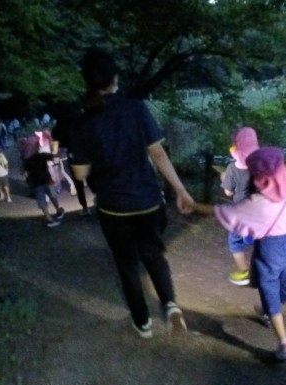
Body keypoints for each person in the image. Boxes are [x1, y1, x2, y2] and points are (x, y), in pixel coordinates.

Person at [69, 47, 194, 338]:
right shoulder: (136, 108)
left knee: (127, 265)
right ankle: (170, 305)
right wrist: (180, 190)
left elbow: (80, 173)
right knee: (154, 255)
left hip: (113, 207)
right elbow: (158, 154)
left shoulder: (83, 120)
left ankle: (143, 322)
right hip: (148, 201)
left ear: (87, 81)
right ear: (115, 77)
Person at [194, 147, 286, 361]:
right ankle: (284, 341)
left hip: (268, 251)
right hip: (284, 249)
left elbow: (223, 212)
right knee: (281, 289)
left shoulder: (254, 203)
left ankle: (270, 312)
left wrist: (193, 205)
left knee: (273, 292)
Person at [220, 126, 259, 286]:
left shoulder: (231, 168)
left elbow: (228, 192)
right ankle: (262, 271)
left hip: (240, 214)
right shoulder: (259, 166)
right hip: (259, 212)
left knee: (235, 242)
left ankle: (244, 272)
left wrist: (224, 179)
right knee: (259, 241)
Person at [23, 141, 66, 228]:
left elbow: (25, 172)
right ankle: (58, 211)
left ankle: (48, 218)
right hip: (47, 180)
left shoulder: (27, 160)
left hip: (36, 182)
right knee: (53, 196)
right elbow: (54, 156)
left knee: (42, 200)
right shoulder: (42, 155)